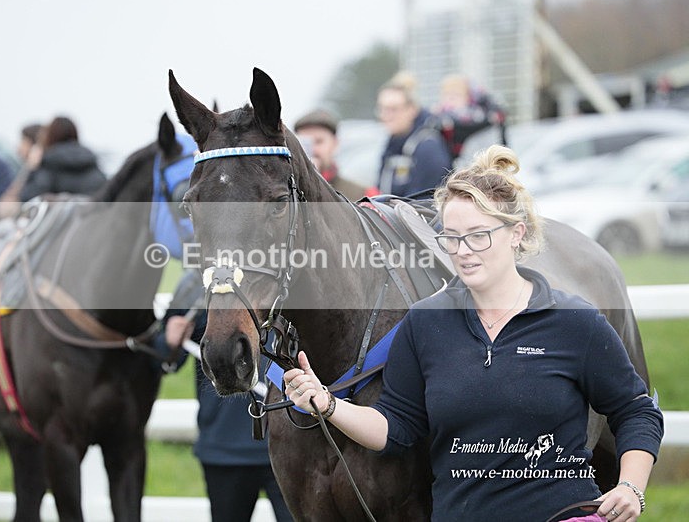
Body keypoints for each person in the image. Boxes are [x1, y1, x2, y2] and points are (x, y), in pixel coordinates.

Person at [283, 144, 663, 521]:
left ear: (516, 234)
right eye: (451, 237)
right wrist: (327, 404)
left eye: (478, 236)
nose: (462, 251)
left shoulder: (574, 321)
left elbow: (636, 411)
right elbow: (396, 427)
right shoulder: (424, 323)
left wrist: (631, 487)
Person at [153, 269, 293, 522]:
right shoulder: (196, 283)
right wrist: (168, 341)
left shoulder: (288, 278)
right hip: (224, 447)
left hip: (292, 444)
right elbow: (164, 362)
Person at [375, 71, 452, 198]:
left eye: (393, 109)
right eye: (382, 109)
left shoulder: (428, 147)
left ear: (412, 110)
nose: (386, 116)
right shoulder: (392, 144)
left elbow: (427, 204)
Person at [18, 116, 106, 202]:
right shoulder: (91, 162)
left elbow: (28, 197)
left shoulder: (48, 164)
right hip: (93, 214)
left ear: (50, 136)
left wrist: (32, 168)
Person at [294, 109, 366, 201]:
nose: (312, 149)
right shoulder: (285, 192)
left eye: (319, 141)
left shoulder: (362, 194)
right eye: (304, 143)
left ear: (335, 144)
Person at [432, 74, 507, 160]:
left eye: (457, 94)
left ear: (468, 97)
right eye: (447, 94)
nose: (451, 99)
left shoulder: (480, 117)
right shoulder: (438, 119)